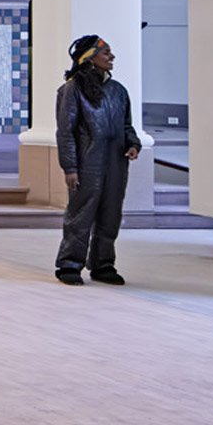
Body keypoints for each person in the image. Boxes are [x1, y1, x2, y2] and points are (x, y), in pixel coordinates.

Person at [53, 32, 141, 286]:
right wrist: (70, 167)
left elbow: (127, 125)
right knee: (81, 214)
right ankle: (69, 264)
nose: (111, 56)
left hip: (115, 162)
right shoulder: (72, 90)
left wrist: (133, 144)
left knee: (110, 214)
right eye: (105, 52)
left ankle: (103, 264)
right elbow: (66, 131)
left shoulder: (118, 91)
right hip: (87, 162)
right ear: (89, 58)